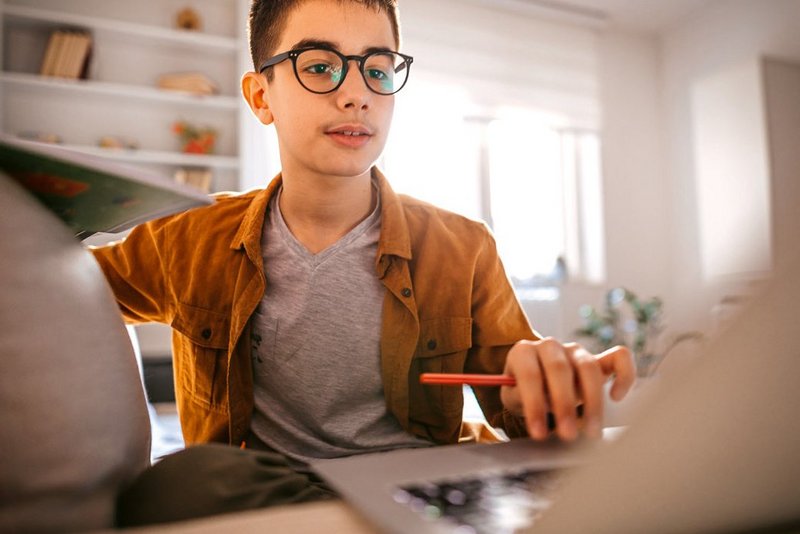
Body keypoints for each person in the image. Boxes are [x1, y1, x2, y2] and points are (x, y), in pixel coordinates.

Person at [91, 0, 635, 525]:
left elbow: (520, 407)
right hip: (276, 488)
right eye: (321, 66)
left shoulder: (463, 246)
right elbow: (61, 295)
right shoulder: (187, 237)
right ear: (261, 97)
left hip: (421, 482)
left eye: (377, 70)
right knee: (180, 483)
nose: (357, 95)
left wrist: (543, 386)